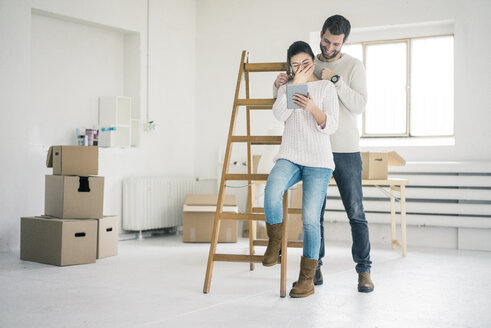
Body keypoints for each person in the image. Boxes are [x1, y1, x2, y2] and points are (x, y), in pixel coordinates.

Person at [274, 14, 374, 293]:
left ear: (345, 41)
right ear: (321, 34)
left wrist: (336, 81)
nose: (329, 47)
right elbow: (288, 104)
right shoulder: (308, 63)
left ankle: (364, 271)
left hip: (345, 150)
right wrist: (280, 84)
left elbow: (359, 105)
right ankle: (313, 270)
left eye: (336, 43)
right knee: (313, 214)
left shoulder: (353, 65)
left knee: (355, 211)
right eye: (326, 41)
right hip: (314, 151)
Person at [263, 41, 339, 298]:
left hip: (318, 161)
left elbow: (331, 126)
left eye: (305, 62)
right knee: (272, 190)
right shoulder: (288, 87)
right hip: (291, 156)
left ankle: (306, 279)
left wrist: (312, 108)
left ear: (313, 62)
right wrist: (293, 86)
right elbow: (279, 115)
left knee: (310, 219)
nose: (301, 67)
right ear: (291, 67)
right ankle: (276, 243)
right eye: (295, 65)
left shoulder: (326, 87)